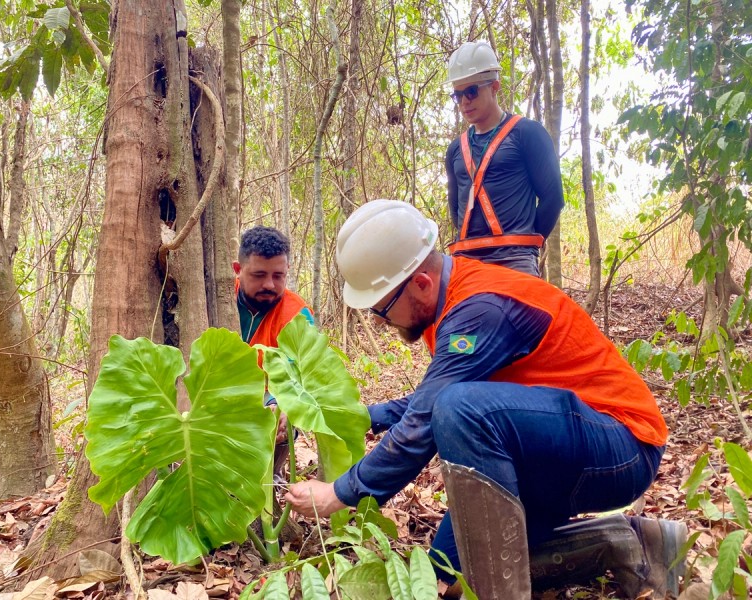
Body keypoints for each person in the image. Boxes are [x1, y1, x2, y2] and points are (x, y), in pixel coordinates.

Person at [285, 201, 686, 598]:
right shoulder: (450, 301)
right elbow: (431, 397)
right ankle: (627, 542)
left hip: (622, 445)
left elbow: (431, 417)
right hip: (552, 448)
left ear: (421, 284)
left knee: (459, 409)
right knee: (447, 573)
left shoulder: (480, 309)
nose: (379, 319)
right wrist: (359, 416)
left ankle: (502, 593)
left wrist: (340, 492)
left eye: (382, 307)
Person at [444, 40, 564, 276]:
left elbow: (553, 198)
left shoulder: (527, 133)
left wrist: (524, 241)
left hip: (515, 260)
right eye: (457, 95)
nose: (465, 101)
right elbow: (456, 208)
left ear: (494, 87)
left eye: (471, 91)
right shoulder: (456, 149)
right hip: (467, 261)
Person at [234, 225, 313, 469]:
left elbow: (297, 376)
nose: (269, 284)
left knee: (283, 419)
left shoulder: (297, 314)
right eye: (259, 275)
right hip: (216, 399)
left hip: (266, 401)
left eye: (278, 276)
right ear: (238, 270)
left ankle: (268, 479)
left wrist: (279, 405)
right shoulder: (217, 296)